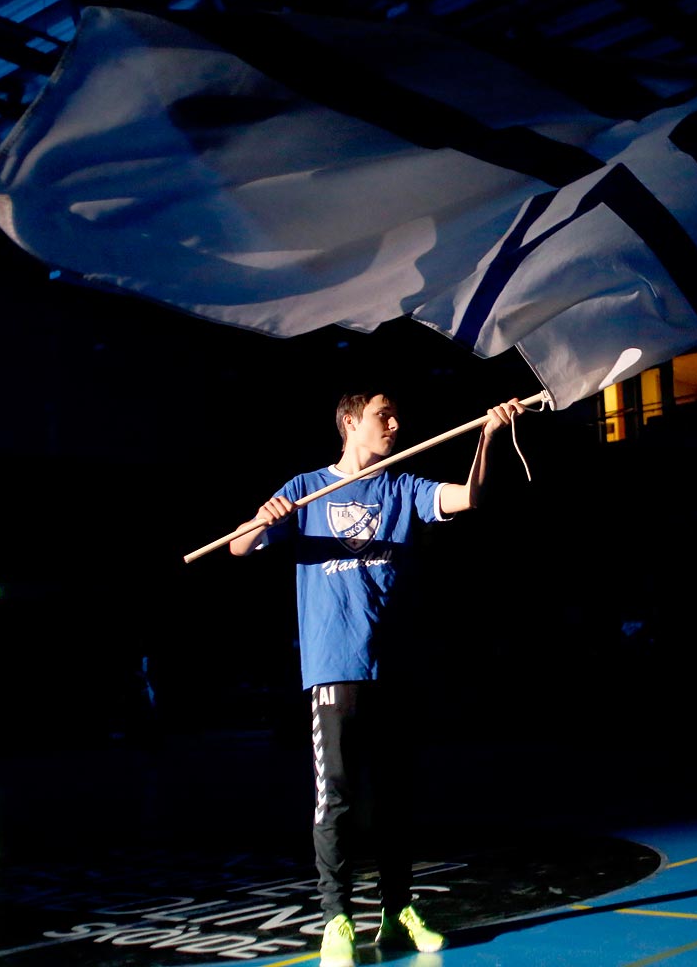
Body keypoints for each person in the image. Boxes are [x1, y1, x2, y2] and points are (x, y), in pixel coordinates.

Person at [230, 390, 526, 967]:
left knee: (394, 800)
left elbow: (470, 497)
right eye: (382, 415)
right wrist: (261, 520)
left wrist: (488, 437)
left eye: (395, 415)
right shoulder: (304, 488)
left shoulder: (402, 487)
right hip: (333, 666)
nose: (395, 422)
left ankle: (397, 913)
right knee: (334, 801)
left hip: (394, 667)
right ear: (349, 423)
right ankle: (336, 919)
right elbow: (240, 547)